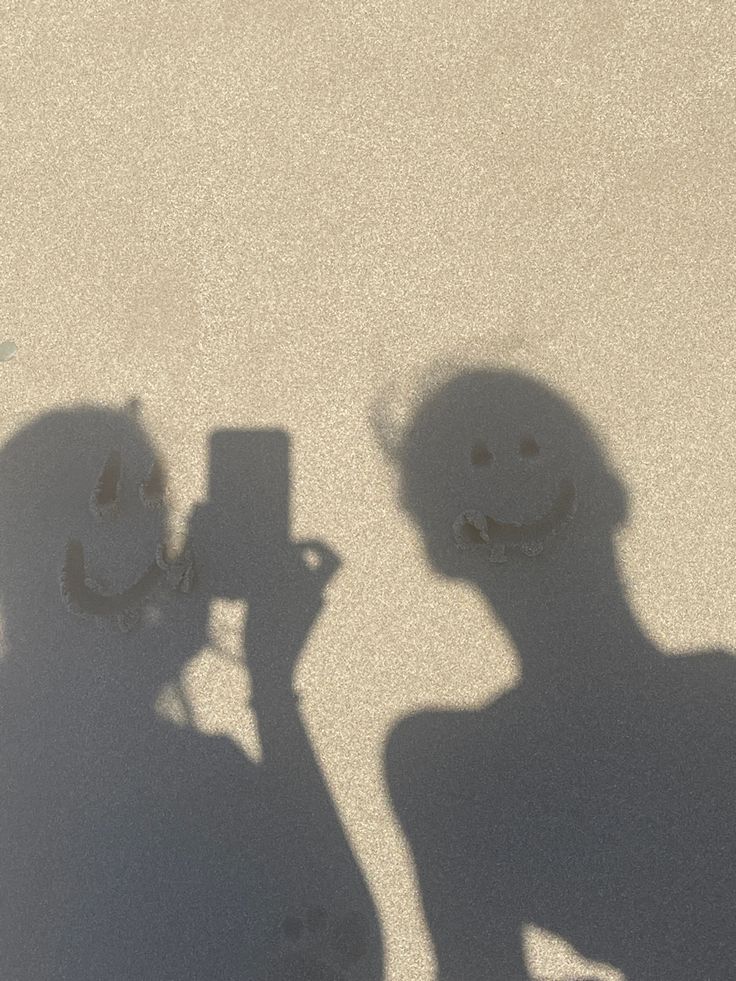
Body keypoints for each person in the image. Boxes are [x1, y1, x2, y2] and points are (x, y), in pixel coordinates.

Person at [0, 405, 381, 980]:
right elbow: (347, 957)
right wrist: (271, 689)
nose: (164, 537)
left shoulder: (194, 775)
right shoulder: (196, 780)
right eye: (130, 508)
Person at [382, 369, 736, 980]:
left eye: (529, 457)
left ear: (443, 551)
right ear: (610, 495)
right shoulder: (454, 767)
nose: (516, 486)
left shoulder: (456, 769)